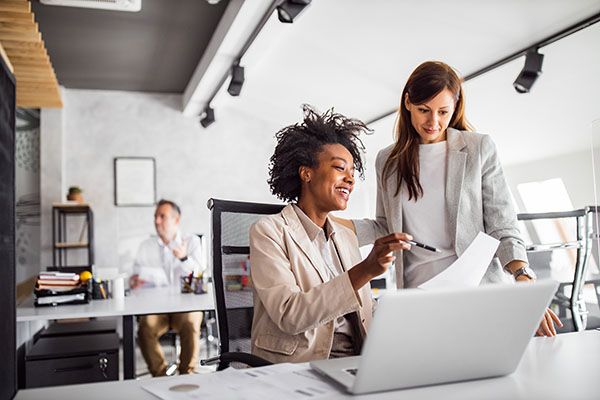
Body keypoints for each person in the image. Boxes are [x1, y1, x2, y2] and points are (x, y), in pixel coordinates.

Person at [334, 61, 561, 337]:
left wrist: (523, 277)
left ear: (455, 107)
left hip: (476, 294)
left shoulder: (478, 149)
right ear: (408, 103)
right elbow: (385, 226)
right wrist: (327, 223)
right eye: (424, 111)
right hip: (418, 298)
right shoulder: (388, 160)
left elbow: (502, 226)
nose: (433, 122)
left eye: (443, 112)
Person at [249, 106, 410, 364]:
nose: (350, 180)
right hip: (302, 365)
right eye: (340, 168)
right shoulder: (269, 232)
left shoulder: (345, 235)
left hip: (356, 360)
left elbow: (361, 310)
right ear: (306, 173)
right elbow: (290, 314)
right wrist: (366, 270)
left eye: (353, 173)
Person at [129, 199, 205, 376]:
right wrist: (133, 281)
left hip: (185, 307)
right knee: (145, 327)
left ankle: (187, 374)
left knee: (192, 320)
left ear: (176, 220)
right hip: (156, 309)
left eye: (162, 216)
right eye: (156, 216)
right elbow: (135, 274)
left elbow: (200, 273)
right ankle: (160, 375)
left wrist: (184, 258)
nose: (156, 221)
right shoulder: (145, 246)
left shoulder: (191, 242)